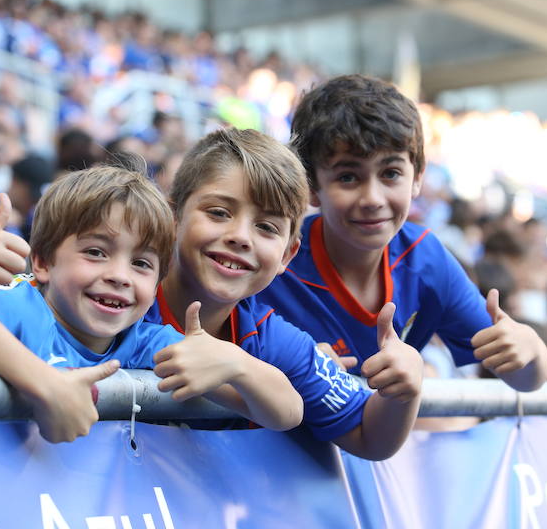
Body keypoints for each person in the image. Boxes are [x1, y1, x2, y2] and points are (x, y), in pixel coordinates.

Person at [0, 161, 303, 443]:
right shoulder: (22, 308)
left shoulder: (147, 342)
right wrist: (45, 385)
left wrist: (236, 363)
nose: (119, 275)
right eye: (95, 252)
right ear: (42, 261)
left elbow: (286, 412)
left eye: (141, 263)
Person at [259, 75, 547, 392]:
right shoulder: (270, 256)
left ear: (417, 178)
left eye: (391, 173)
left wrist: (532, 351)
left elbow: (522, 379)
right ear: (312, 185)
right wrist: (290, 371)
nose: (372, 198)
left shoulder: (427, 260)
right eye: (347, 177)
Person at [145, 128, 422, 460]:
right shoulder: (120, 303)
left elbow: (368, 436)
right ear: (173, 217)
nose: (240, 237)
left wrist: (404, 391)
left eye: (266, 227)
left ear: (287, 256)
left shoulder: (272, 341)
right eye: (219, 213)